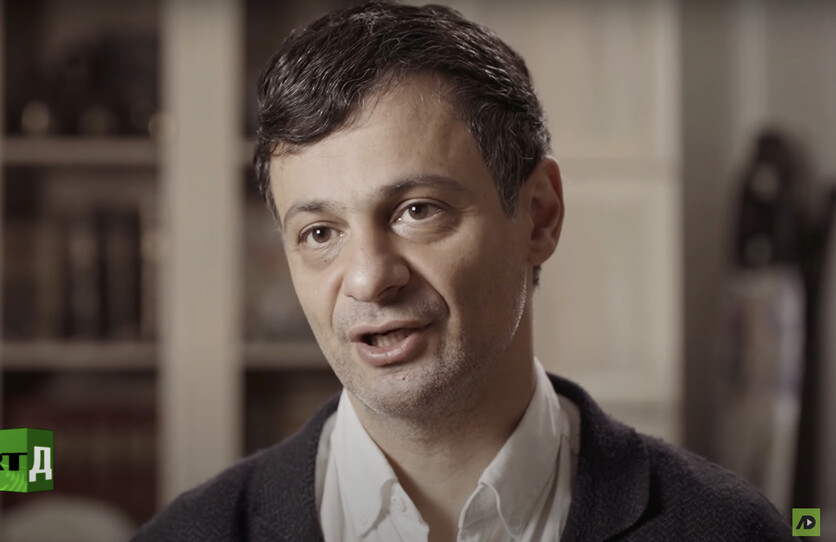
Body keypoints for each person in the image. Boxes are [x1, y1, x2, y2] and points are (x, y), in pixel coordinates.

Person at [135, 2, 792, 540]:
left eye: (416, 211)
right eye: (320, 233)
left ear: (539, 216)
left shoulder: (730, 530)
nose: (367, 279)